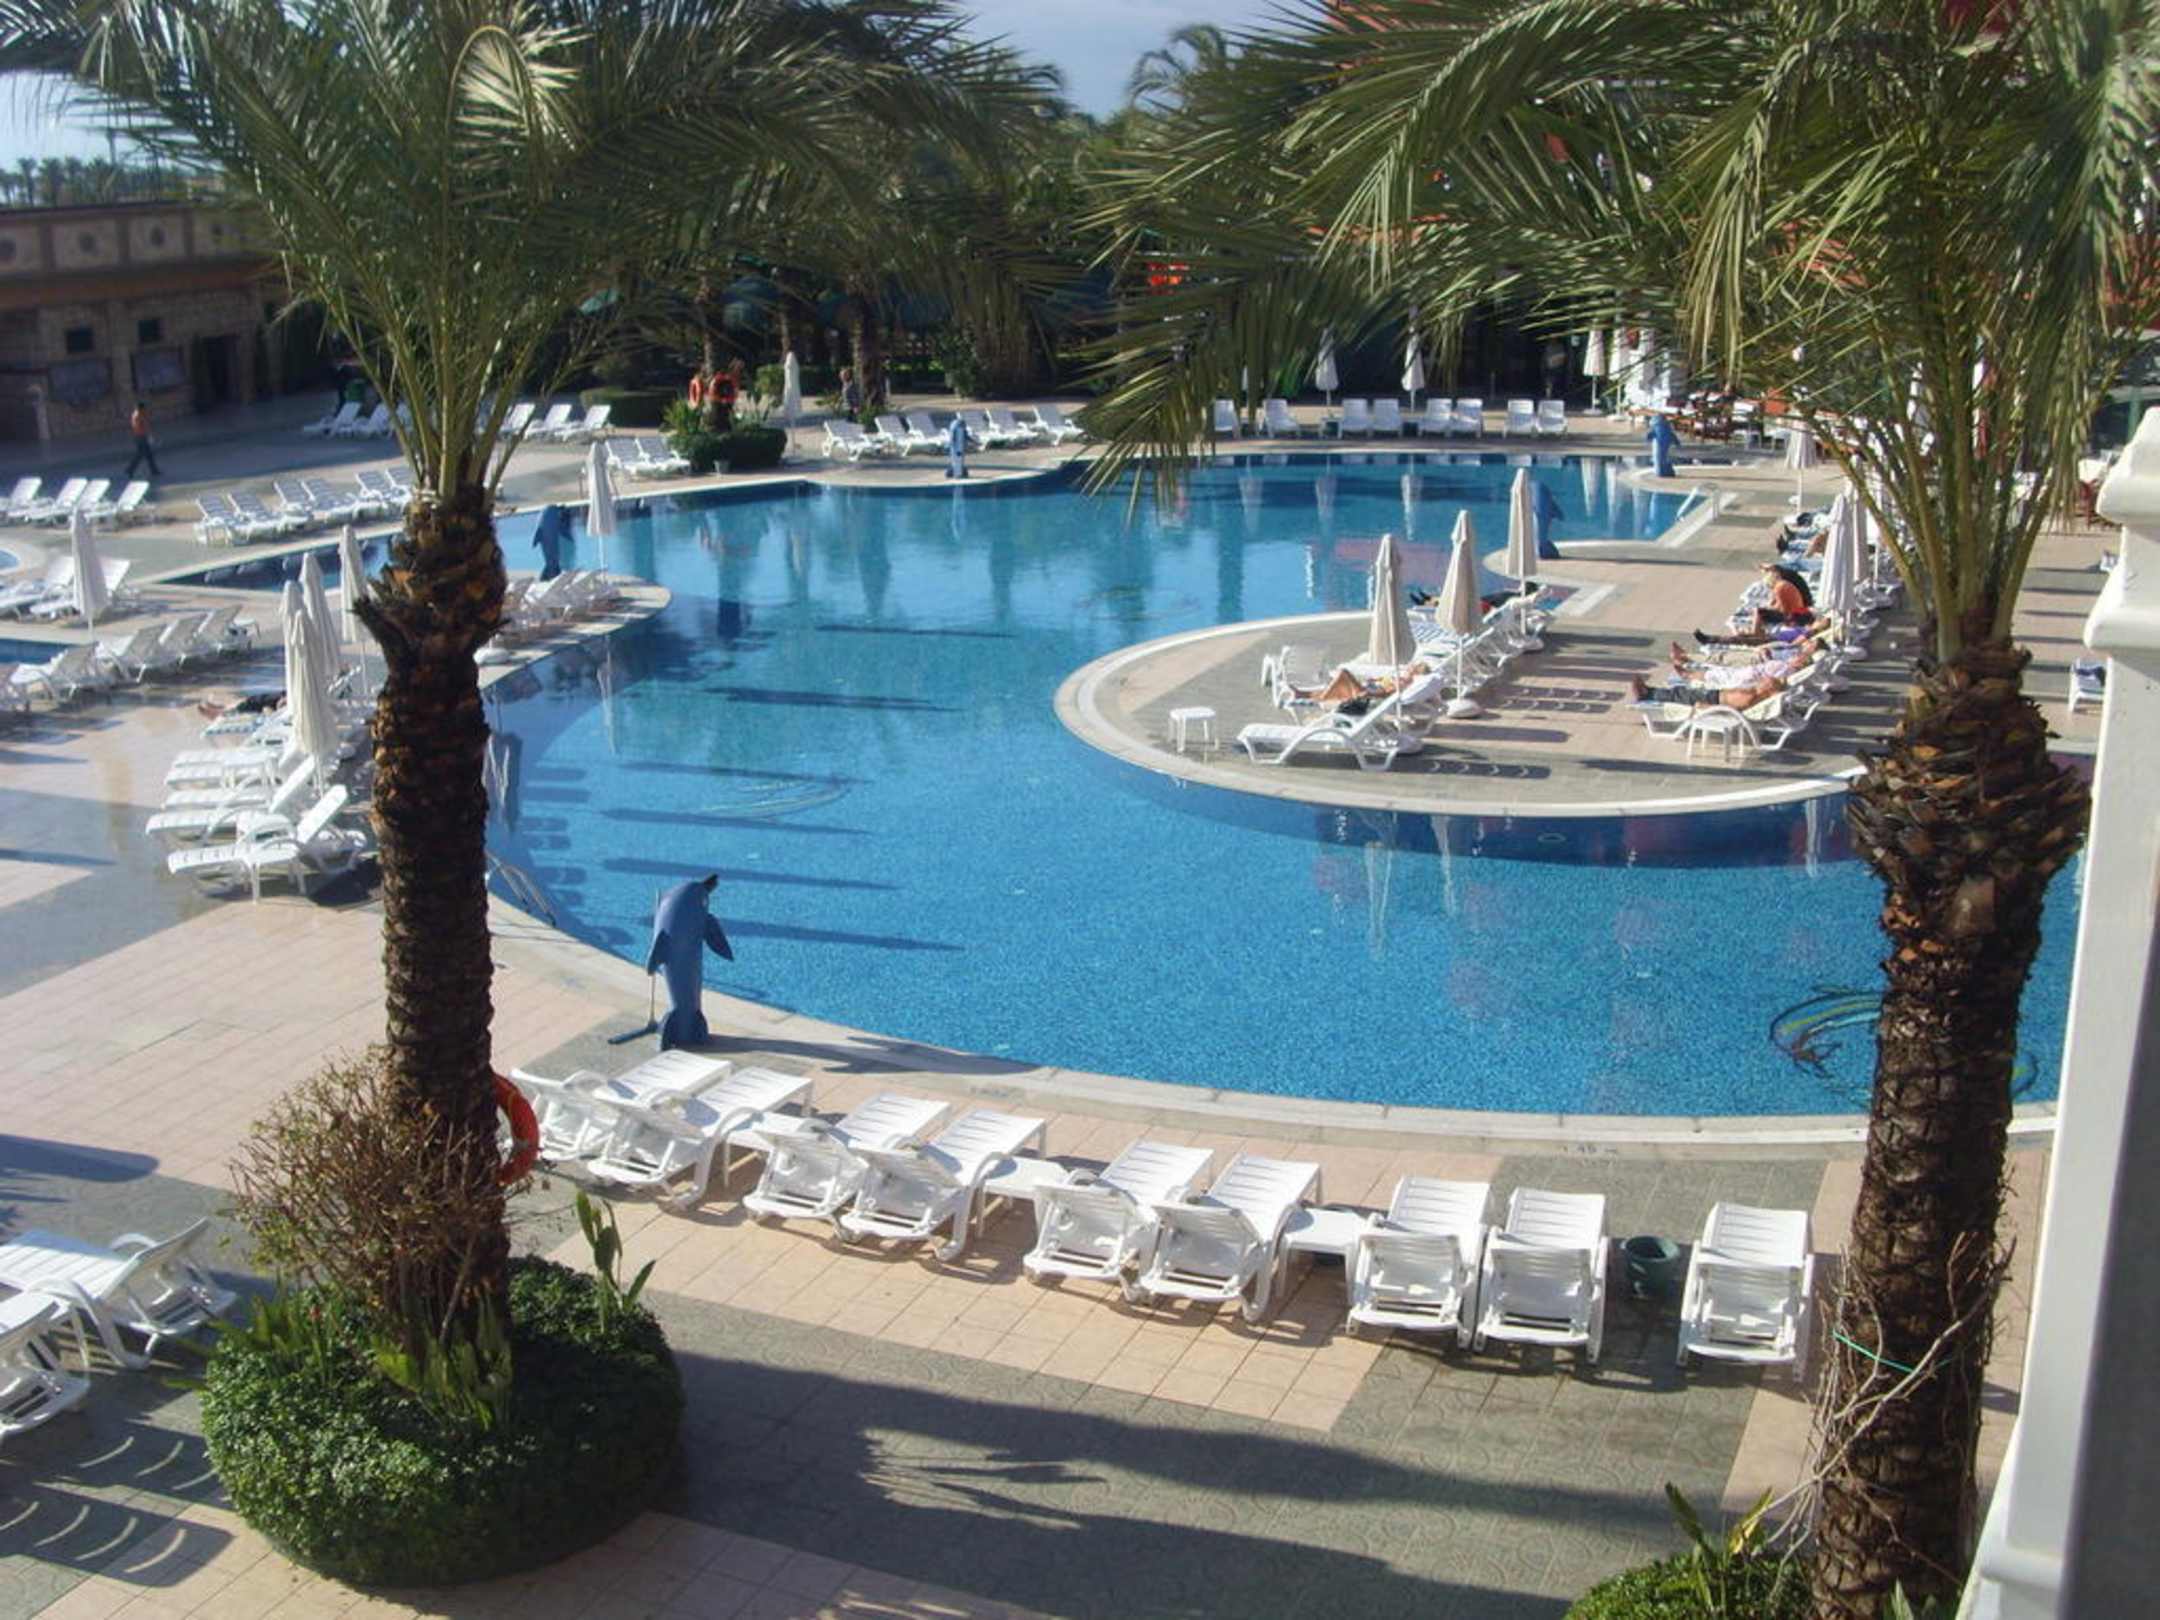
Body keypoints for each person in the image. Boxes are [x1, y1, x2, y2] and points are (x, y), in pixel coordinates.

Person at [124, 400, 161, 479]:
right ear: (141, 408)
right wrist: (149, 436)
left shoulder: (136, 414)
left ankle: (154, 471)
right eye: (144, 408)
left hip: (139, 437)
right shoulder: (139, 415)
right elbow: (143, 427)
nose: (146, 409)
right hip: (141, 437)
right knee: (142, 455)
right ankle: (130, 469)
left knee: (147, 455)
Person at [946, 411, 970, 480]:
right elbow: (952, 437)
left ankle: (959, 472)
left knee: (959, 460)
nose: (964, 426)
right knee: (955, 460)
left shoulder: (962, 428)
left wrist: (975, 442)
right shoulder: (955, 427)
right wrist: (950, 444)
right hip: (955, 447)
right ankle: (954, 472)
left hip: (960, 447)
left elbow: (966, 436)